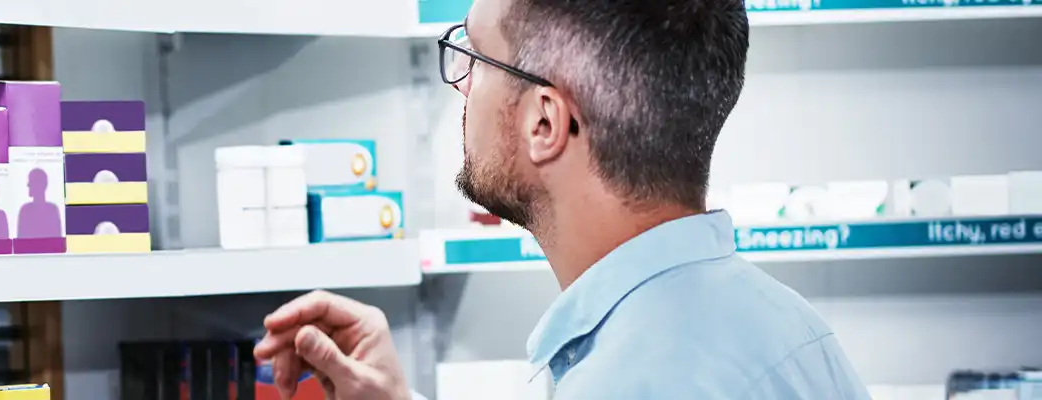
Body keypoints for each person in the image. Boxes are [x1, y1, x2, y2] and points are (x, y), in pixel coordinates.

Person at [254, 0, 870, 398]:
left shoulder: (631, 383)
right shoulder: (790, 327)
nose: (461, 87)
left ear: (545, 123)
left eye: (472, 55)